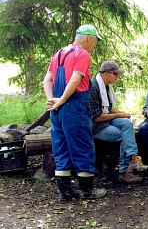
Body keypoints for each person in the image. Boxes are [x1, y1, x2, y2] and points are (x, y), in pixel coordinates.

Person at [43, 24, 106, 202]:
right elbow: (75, 79)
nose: (94, 46)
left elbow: (47, 79)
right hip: (74, 107)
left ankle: (66, 193)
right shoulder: (82, 54)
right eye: (95, 42)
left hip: (56, 109)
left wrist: (52, 100)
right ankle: (87, 191)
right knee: (83, 147)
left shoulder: (59, 53)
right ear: (89, 39)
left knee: (61, 148)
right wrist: (62, 99)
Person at [89, 61, 148, 183]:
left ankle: (133, 158)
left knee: (126, 124)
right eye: (115, 74)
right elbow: (96, 117)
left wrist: (124, 114)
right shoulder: (94, 88)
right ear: (106, 74)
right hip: (96, 126)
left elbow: (108, 108)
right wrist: (120, 115)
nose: (118, 76)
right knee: (124, 135)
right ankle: (124, 171)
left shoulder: (106, 86)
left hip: (106, 120)